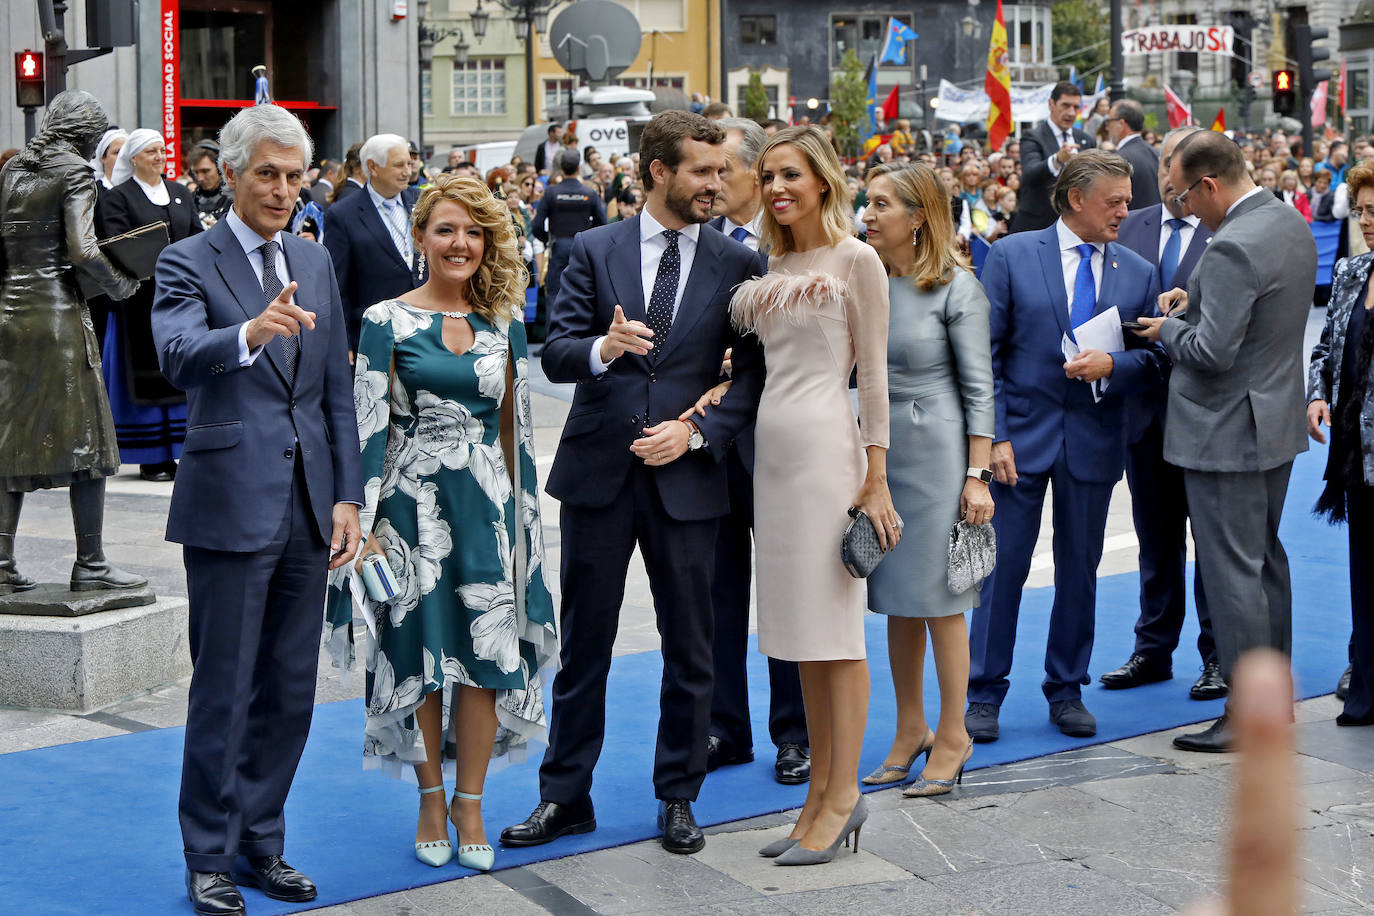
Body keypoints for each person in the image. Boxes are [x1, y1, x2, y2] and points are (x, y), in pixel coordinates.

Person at [499, 110, 765, 857]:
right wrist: (602, 348)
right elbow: (553, 352)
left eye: (721, 172)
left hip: (688, 477)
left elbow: (751, 381)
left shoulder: (739, 264)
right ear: (657, 171)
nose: (717, 185)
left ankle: (679, 795)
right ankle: (564, 796)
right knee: (586, 641)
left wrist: (696, 431)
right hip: (598, 474)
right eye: (702, 172)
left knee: (694, 643)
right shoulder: (591, 247)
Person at [324, 174, 557, 872]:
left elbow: (515, 436)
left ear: (488, 243)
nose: (461, 243)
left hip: (485, 511)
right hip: (407, 513)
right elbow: (367, 426)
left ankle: (471, 802)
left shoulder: (506, 322)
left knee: (487, 657)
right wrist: (359, 520)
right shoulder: (383, 320)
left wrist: (526, 533)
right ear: (421, 236)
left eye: (475, 232)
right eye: (447, 229)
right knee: (420, 656)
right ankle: (430, 797)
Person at [727, 125, 896, 866]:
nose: (776, 189)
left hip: (831, 449)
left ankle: (843, 795)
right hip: (773, 455)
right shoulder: (775, 259)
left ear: (823, 179)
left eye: (790, 174)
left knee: (837, 635)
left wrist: (876, 474)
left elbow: (877, 376)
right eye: (767, 177)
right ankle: (815, 799)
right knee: (798, 638)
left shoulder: (857, 258)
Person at [967, 151, 1166, 743]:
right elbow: (986, 356)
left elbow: (1155, 357)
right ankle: (983, 692)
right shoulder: (1009, 255)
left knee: (1081, 568)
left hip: (1093, 440)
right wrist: (994, 438)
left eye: (1129, 201)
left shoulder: (1138, 271)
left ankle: (1066, 688)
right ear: (1076, 198)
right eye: (1116, 201)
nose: (1126, 212)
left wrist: (1116, 364)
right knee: (1002, 571)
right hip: (1018, 443)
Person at [1133, 129, 1316, 753]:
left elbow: (1211, 352)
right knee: (1265, 562)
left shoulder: (1233, 243)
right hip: (1271, 420)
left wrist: (1167, 329)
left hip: (1225, 429)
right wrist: (1200, 305)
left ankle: (1248, 713)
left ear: (1209, 184)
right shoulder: (1286, 221)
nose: (1185, 211)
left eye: (1184, 198)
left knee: (1235, 573)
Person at [860, 162, 993, 796]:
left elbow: (979, 390)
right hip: (880, 457)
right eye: (867, 201)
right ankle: (908, 727)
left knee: (941, 602)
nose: (867, 212)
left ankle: (953, 733)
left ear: (918, 217)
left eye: (881, 203)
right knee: (895, 599)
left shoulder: (956, 287)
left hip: (939, 455)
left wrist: (977, 475)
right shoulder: (869, 280)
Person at [700, 117, 809, 785]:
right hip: (712, 446)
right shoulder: (695, 246)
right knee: (716, 593)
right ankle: (723, 727)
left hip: (784, 443)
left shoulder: (800, 246)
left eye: (724, 172)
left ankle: (794, 733)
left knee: (788, 594)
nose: (712, 183)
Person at [0, 90, 144, 594]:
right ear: (85, 135)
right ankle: (91, 563)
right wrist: (121, 284)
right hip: (58, 316)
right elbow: (83, 250)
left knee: (9, 435)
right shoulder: (75, 172)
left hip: (11, 316)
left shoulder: (14, 169)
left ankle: (1, 562)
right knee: (90, 436)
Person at [1103, 126, 1222, 700]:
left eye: (1179, 162)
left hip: (1207, 408)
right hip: (1144, 408)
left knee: (1212, 539)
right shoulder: (1135, 223)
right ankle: (1153, 649)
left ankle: (1218, 653)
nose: (1169, 173)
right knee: (1155, 536)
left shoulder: (1226, 227)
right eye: (1165, 160)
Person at [1305, 160, 1374, 727]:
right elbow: (1325, 349)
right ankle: (1366, 677)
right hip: (1354, 453)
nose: (1368, 221)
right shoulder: (1352, 271)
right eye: (1362, 210)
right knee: (1364, 570)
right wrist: (1315, 396)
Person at [98, 129, 202, 482]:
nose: (160, 156)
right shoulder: (118, 198)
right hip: (139, 303)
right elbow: (116, 244)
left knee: (181, 368)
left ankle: (183, 450)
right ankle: (152, 456)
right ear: (134, 159)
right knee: (146, 375)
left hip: (181, 297)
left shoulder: (179, 193)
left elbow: (197, 237)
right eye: (152, 151)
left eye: (162, 150)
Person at [323, 133, 423, 354]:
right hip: (373, 336)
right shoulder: (343, 214)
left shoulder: (422, 202)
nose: (408, 170)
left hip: (425, 330)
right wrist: (344, 342)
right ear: (373, 166)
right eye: (399, 165)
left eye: (409, 163)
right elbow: (338, 286)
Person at [1011, 82, 1096, 233]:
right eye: (1065, 105)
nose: (1071, 112)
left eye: (1076, 107)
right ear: (1051, 104)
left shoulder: (1086, 140)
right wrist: (1057, 160)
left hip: (1075, 227)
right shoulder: (1032, 137)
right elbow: (1030, 174)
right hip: (1038, 226)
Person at [530, 148, 605, 313]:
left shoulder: (551, 193)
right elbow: (602, 224)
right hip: (583, 247)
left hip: (558, 246)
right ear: (578, 168)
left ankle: (552, 337)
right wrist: (589, 239)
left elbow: (536, 225)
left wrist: (547, 239)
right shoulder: (589, 193)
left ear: (561, 169)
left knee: (555, 294)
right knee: (584, 292)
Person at [1106, 99, 1161, 211]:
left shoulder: (1118, 160)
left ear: (1121, 124)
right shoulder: (1157, 154)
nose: (1107, 127)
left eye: (1109, 122)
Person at [189, 144, 234, 230]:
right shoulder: (190, 199)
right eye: (196, 172)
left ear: (220, 168)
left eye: (205, 171)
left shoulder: (235, 200)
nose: (200, 178)